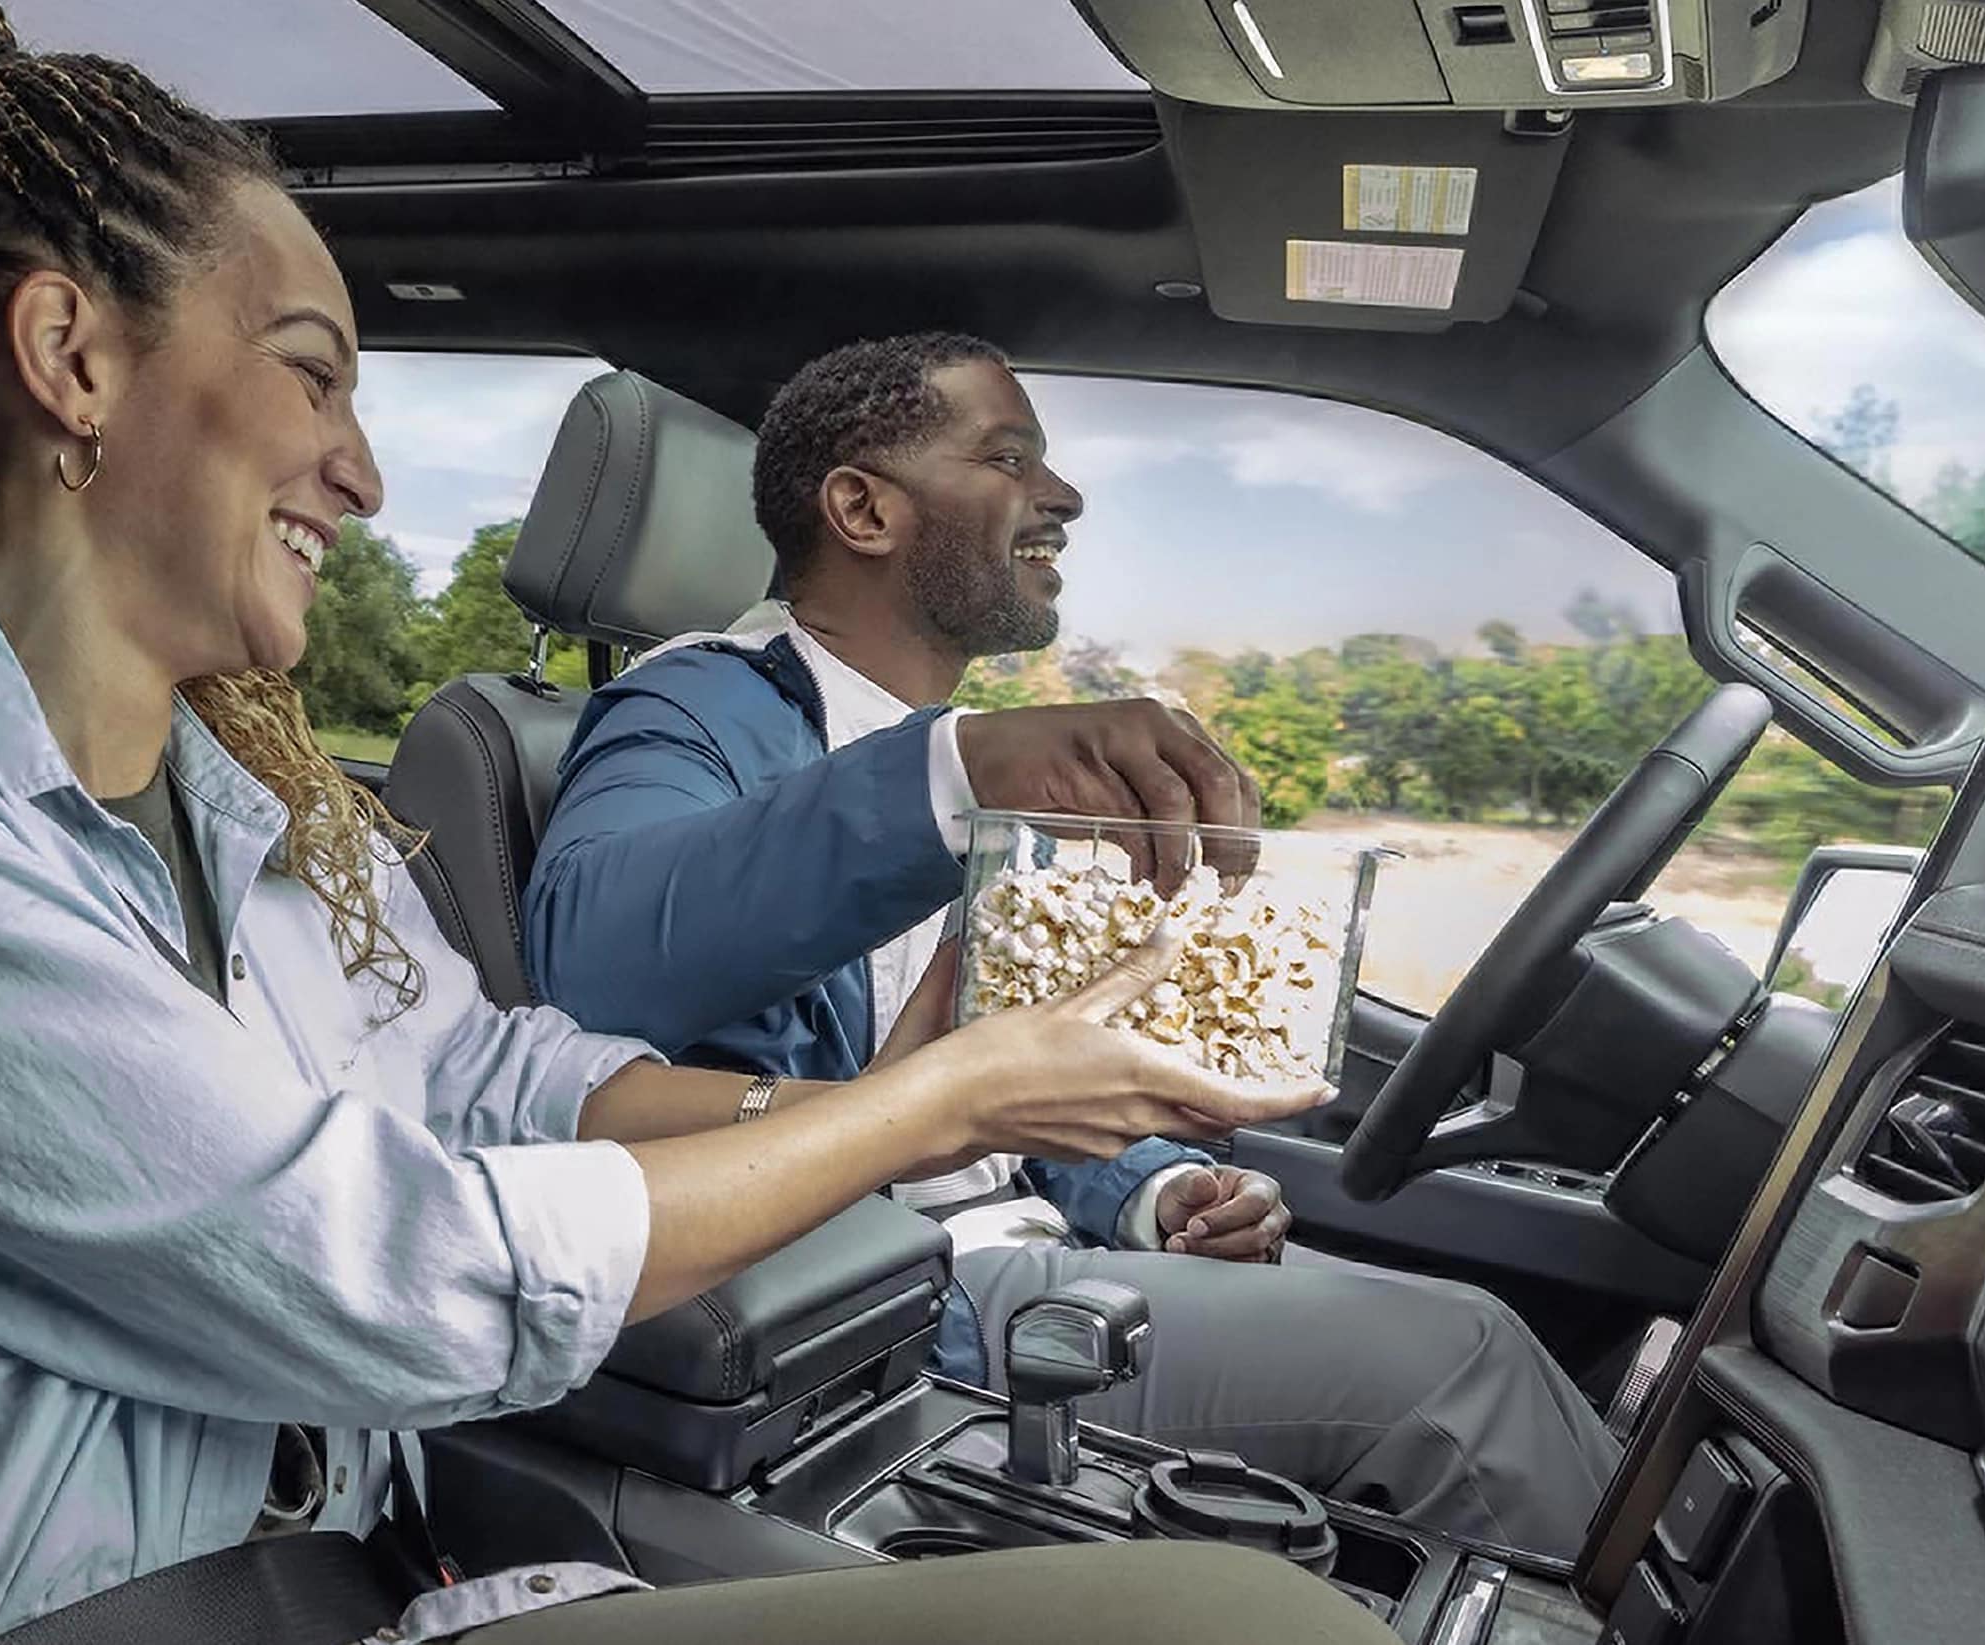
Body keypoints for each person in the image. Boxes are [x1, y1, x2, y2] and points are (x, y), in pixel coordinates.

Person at [0, 4, 1391, 1643]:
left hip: (334, 1588)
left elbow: (497, 1073)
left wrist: (907, 1101)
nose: (361, 474)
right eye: (313, 372)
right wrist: (933, 1107)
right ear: (74, 356)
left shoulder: (267, 801)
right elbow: (360, 1266)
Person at [525, 334, 1624, 1558]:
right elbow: (595, 953)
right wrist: (948, 775)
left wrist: (1153, 1194)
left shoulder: (969, 759)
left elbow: (1007, 1070)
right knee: (1463, 1361)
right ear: (861, 508)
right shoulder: (699, 704)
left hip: (1016, 1252)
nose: (1064, 497)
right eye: (1008, 459)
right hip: (880, 1296)